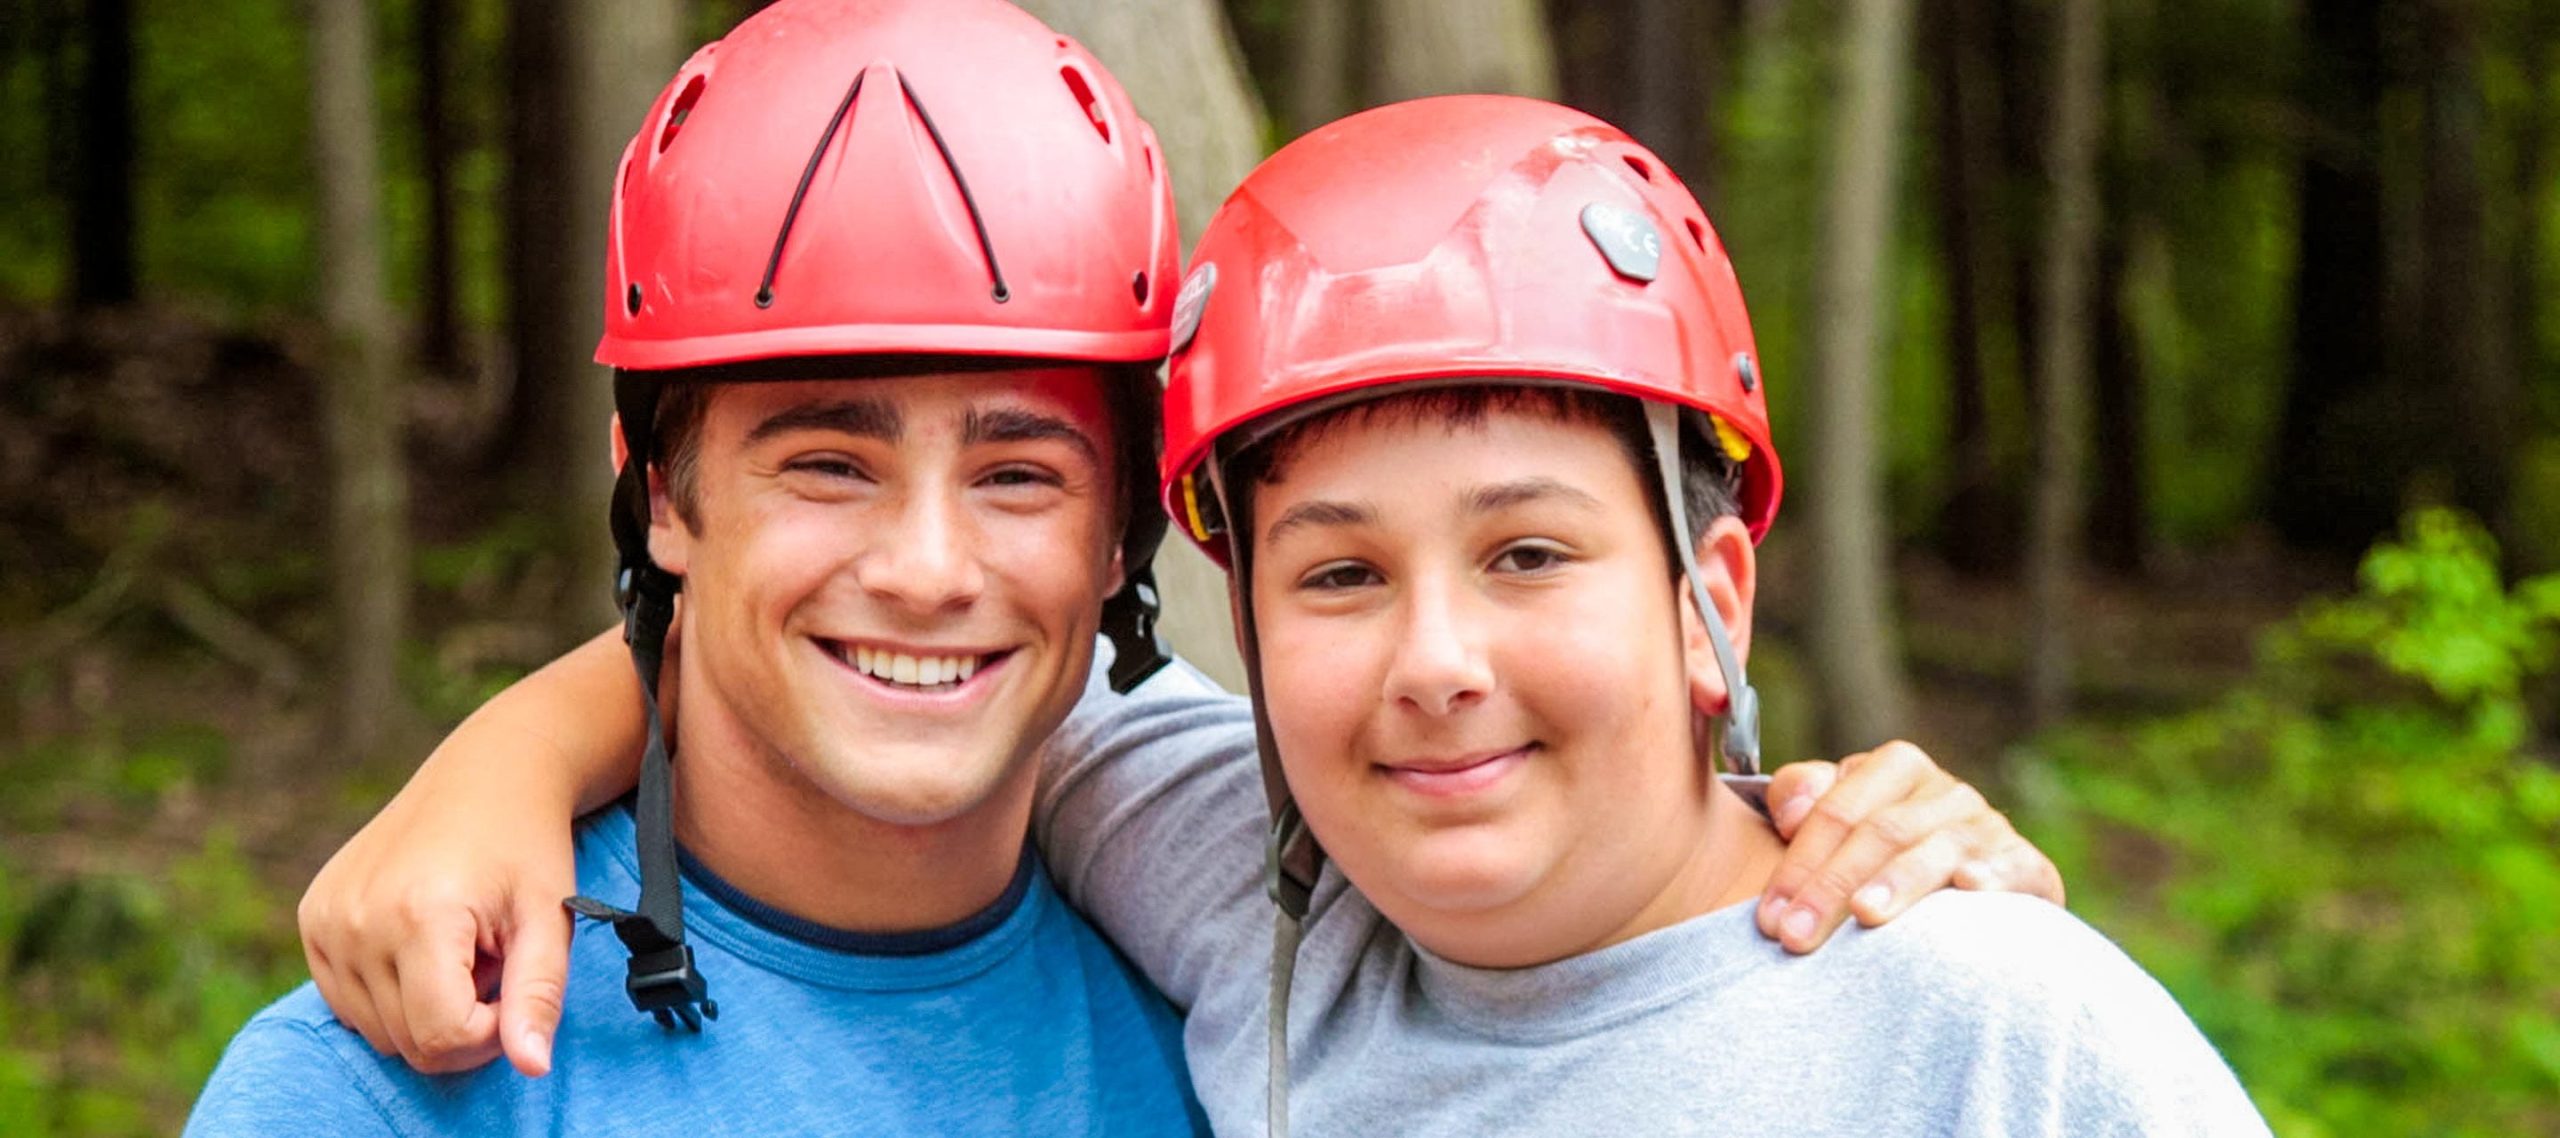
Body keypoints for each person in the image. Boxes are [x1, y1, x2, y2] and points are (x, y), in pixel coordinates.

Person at [225, 3, 2065, 1134]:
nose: (932, 566)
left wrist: (1859, 849)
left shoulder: (1217, 938)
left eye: (1019, 469)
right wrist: (499, 761)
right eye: (825, 458)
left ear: (1119, 533)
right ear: (660, 494)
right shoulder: (411, 1053)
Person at [1045, 93, 2267, 1133]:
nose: (1432, 662)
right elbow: (992, 681)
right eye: (1340, 576)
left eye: (1524, 553)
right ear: (1249, 637)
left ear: (1708, 604)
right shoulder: (1254, 915)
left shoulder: (1984, 1025)